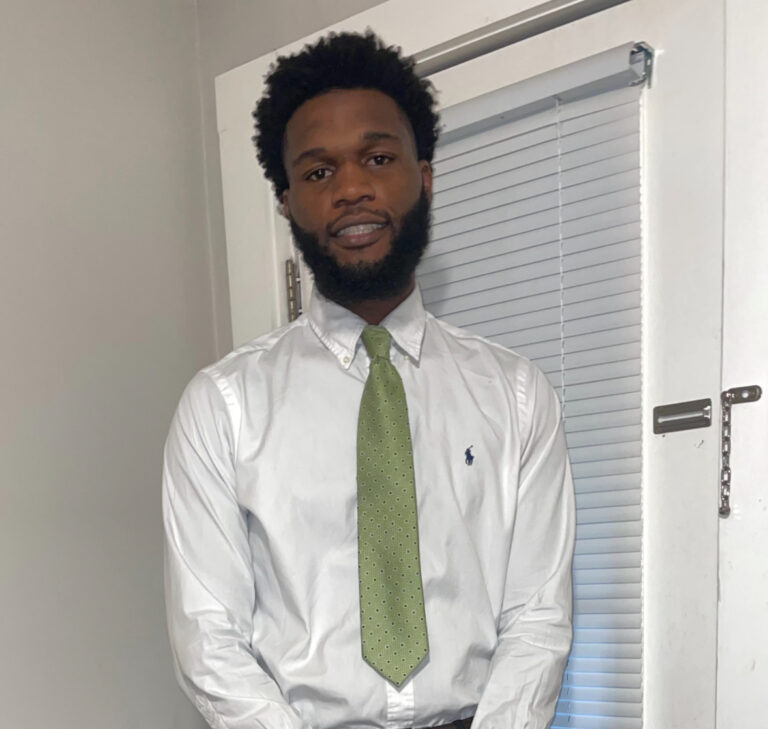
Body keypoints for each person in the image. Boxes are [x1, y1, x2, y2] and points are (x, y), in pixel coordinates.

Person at [163, 31, 575, 729]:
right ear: (287, 201)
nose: (352, 188)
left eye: (378, 158)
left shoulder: (517, 394)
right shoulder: (223, 407)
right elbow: (209, 635)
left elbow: (537, 615)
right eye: (319, 172)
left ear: (425, 174)